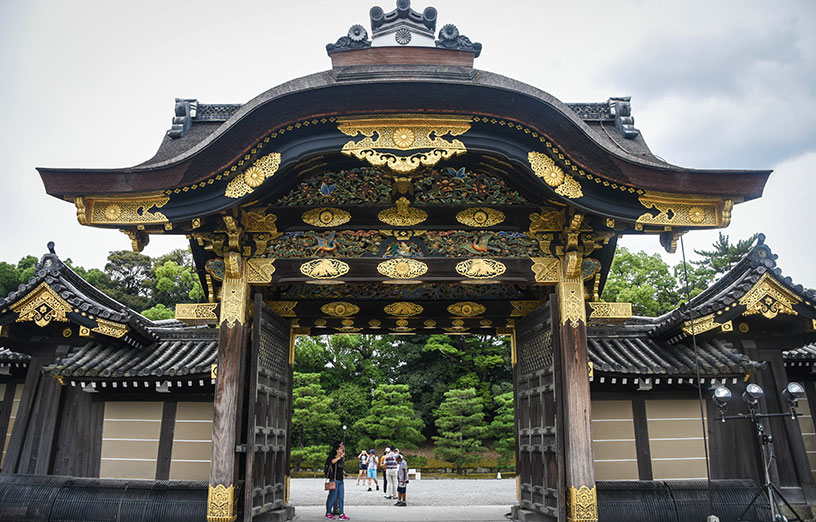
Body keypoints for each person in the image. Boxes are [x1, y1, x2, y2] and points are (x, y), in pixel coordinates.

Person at [324, 442, 350, 520]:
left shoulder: (341, 459)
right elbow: (333, 462)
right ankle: (328, 513)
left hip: (341, 480)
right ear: (337, 450)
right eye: (340, 448)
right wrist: (339, 457)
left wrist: (344, 473)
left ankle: (341, 514)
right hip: (334, 480)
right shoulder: (332, 457)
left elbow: (339, 468)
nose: (342, 449)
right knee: (333, 497)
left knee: (341, 497)